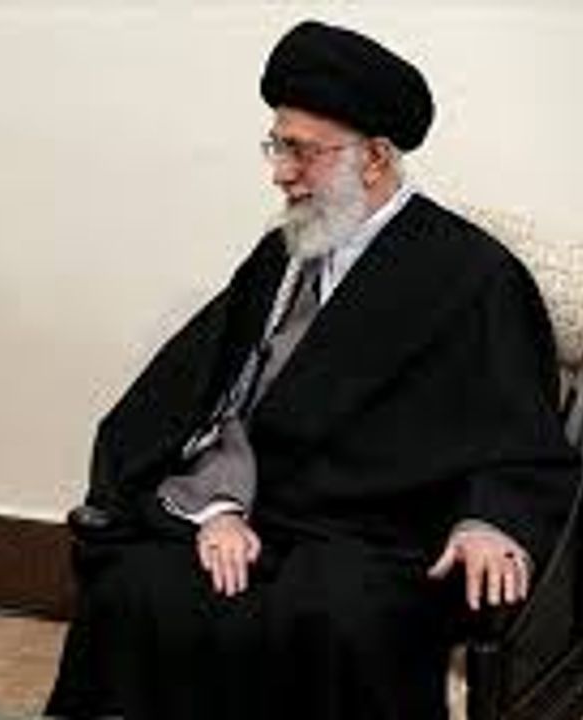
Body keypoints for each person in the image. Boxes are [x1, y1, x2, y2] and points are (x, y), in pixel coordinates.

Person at [47, 20, 578, 720]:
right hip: (261, 511)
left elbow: (520, 435)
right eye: (277, 145)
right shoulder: (284, 254)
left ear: (375, 158)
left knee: (334, 616)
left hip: (381, 539)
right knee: (139, 586)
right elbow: (204, 397)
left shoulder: (475, 275)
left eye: (302, 150)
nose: (280, 172)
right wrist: (217, 507)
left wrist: (489, 521)